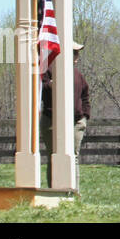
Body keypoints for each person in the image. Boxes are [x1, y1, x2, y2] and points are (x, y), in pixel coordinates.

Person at [40, 40, 90, 176]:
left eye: (77, 53)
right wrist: (50, 85)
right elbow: (40, 89)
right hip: (51, 120)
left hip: (76, 122)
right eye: (74, 53)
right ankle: (53, 191)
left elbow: (85, 96)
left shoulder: (78, 75)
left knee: (73, 157)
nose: (77, 56)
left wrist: (84, 117)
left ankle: (74, 191)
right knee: (53, 156)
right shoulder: (49, 70)